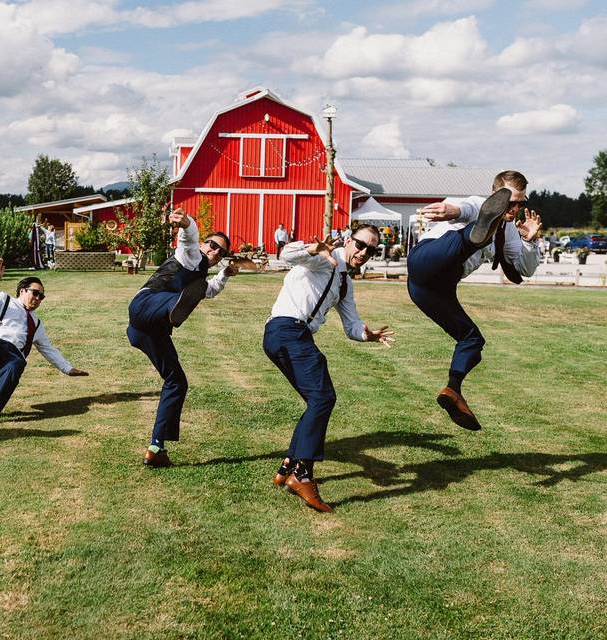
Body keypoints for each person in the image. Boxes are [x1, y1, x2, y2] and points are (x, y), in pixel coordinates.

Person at [265, 226, 394, 512]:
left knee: (317, 400)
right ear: (349, 241)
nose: (364, 253)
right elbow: (287, 254)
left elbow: (351, 324)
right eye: (360, 245)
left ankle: (288, 465)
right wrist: (313, 249)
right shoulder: (325, 258)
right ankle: (303, 474)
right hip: (287, 328)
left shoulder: (346, 281)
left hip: (289, 335)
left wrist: (365, 334)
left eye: (371, 250)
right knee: (323, 398)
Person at [407, 170, 543, 431]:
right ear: (495, 196)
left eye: (520, 203)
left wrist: (530, 239)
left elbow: (525, 270)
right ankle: (476, 234)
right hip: (425, 263)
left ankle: (453, 390)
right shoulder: (479, 204)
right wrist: (452, 210)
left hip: (437, 291)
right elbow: (465, 206)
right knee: (465, 236)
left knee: (472, 340)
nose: (515, 209)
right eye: (510, 202)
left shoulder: (511, 232)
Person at [127, 209, 239, 467]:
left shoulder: (200, 273)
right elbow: (188, 240)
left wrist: (224, 275)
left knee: (177, 381)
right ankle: (174, 307)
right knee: (190, 292)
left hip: (148, 332)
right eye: (213, 246)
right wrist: (187, 223)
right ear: (203, 244)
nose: (215, 253)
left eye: (221, 253)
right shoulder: (190, 255)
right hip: (144, 307)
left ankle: (156, 447)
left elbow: (208, 291)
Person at [0, 258, 88, 427]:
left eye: (41, 296)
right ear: (22, 291)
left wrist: (67, 368)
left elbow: (48, 349)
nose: (38, 298)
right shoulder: (5, 301)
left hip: (12, 355)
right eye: (35, 293)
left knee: (17, 364)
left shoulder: (36, 323)